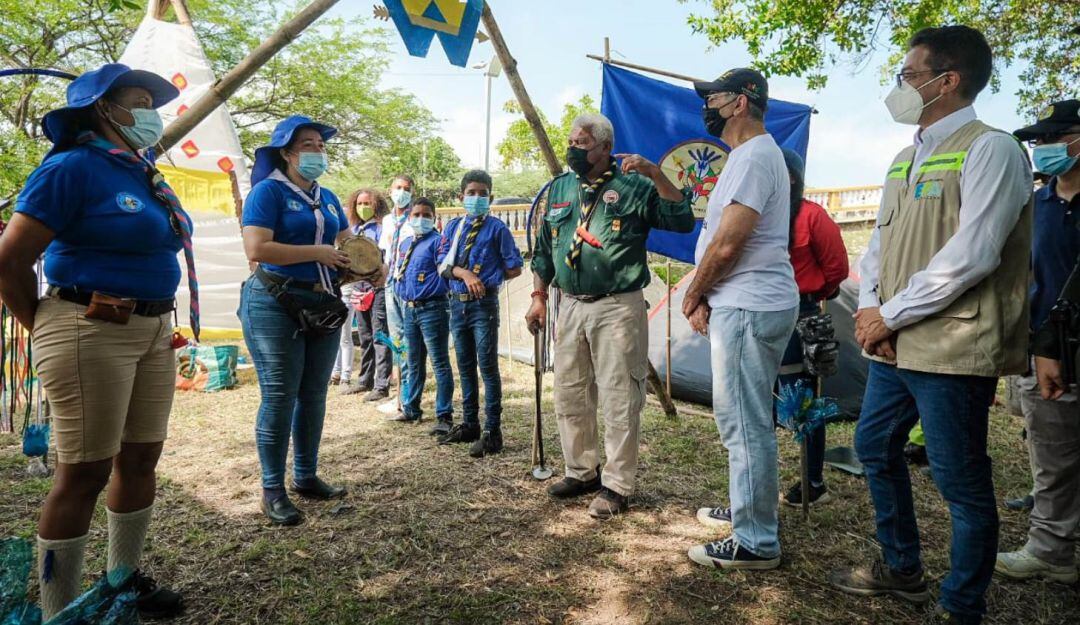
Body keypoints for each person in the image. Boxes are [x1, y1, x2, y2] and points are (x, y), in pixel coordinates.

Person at [828, 26, 1033, 624]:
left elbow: (973, 255)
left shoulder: (991, 149)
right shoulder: (904, 156)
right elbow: (879, 248)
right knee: (873, 445)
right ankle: (902, 567)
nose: (900, 88)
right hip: (895, 339)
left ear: (949, 81)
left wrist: (887, 314)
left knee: (961, 482)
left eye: (909, 76)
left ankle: (960, 605)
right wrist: (869, 308)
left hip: (953, 344)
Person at [0, 63, 190, 620]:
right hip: (88, 326)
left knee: (141, 459)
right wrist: (47, 323)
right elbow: (10, 260)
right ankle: (62, 611)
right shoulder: (72, 167)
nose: (151, 112)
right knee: (83, 473)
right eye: (138, 99)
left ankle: (121, 580)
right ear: (103, 108)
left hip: (154, 328)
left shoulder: (142, 170)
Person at [526, 113, 695, 519]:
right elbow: (545, 249)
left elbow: (682, 220)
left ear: (605, 147)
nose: (573, 149)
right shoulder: (560, 189)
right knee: (570, 391)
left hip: (616, 306)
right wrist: (537, 296)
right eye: (570, 141)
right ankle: (581, 470)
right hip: (568, 303)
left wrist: (656, 173)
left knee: (620, 396)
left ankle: (617, 484)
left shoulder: (635, 186)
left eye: (582, 143)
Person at [680, 68, 799, 571]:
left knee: (745, 425)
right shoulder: (748, 157)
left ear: (741, 104)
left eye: (715, 97)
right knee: (744, 421)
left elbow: (730, 243)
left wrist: (693, 292)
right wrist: (707, 293)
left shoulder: (754, 157)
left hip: (749, 306)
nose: (708, 106)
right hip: (745, 301)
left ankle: (755, 541)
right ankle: (748, 507)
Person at [239, 115, 356, 526]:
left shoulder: (327, 197)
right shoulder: (267, 192)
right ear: (287, 153)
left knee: (313, 394)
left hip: (321, 303)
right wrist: (317, 253)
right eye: (308, 145)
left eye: (321, 146)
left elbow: (345, 242)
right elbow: (257, 248)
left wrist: (366, 264)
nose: (317, 152)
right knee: (279, 395)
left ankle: (305, 475)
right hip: (274, 302)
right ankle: (273, 488)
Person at [995, 99, 1080, 585]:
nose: (1044, 148)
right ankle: (1051, 549)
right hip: (1044, 354)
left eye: (1055, 137)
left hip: (1070, 345)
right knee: (1051, 457)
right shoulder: (1038, 204)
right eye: (1039, 141)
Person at [776, 147, 850, 508]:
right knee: (764, 399)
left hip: (800, 316)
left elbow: (837, 269)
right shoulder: (759, 214)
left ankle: (813, 480)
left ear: (789, 176)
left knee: (802, 402)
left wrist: (811, 293)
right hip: (760, 314)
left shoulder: (812, 216)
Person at [436, 170, 524, 457]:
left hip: (483, 305)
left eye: (482, 194)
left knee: (487, 367)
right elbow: (441, 263)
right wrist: (464, 274)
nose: (476, 198)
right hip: (457, 304)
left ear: (491, 197)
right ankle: (470, 423)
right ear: (461, 197)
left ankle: (492, 431)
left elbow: (515, 267)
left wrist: (487, 279)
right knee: (464, 364)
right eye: (471, 193)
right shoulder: (452, 228)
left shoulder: (497, 229)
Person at [392, 197, 455, 431]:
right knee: (414, 361)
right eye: (416, 215)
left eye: (426, 215)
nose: (421, 219)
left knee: (439, 363)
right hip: (410, 309)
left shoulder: (439, 243)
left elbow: (445, 270)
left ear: (434, 218)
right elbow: (400, 273)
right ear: (409, 218)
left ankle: (444, 415)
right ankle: (411, 407)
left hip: (433, 309)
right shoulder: (406, 243)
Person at [335, 188, 393, 398]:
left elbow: (383, 256)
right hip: (357, 290)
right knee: (365, 335)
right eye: (359, 203)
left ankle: (381, 384)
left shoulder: (381, 229)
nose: (363, 208)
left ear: (376, 205)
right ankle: (365, 380)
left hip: (376, 288)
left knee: (379, 335)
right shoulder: (353, 230)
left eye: (368, 203)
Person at [377, 175, 416, 409]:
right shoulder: (387, 220)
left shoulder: (417, 217)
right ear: (389, 191)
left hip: (408, 284)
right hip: (390, 283)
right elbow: (384, 253)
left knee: (410, 340)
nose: (402, 192)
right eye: (398, 188)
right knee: (397, 340)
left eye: (406, 188)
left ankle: (409, 395)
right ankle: (401, 393)